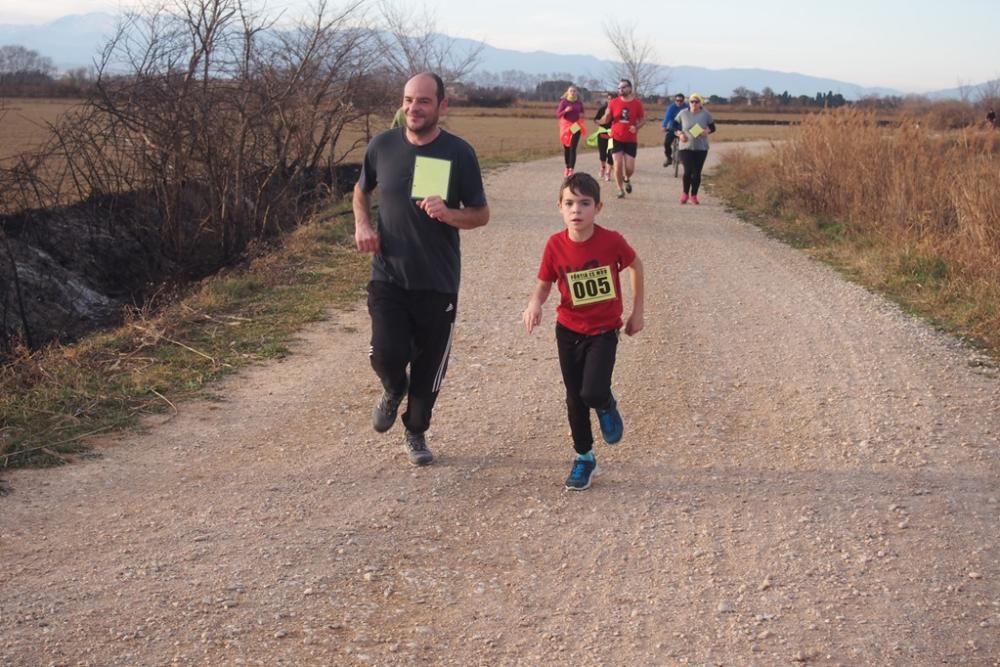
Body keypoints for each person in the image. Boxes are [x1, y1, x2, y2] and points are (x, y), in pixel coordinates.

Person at [353, 72, 490, 466]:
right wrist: (362, 225)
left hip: (437, 281)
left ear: (442, 106)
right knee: (385, 355)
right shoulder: (382, 145)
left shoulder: (458, 153)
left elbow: (481, 214)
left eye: (424, 101)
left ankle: (415, 431)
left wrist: (449, 213)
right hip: (389, 275)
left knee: (428, 372)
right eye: (409, 100)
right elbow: (361, 190)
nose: (414, 108)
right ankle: (393, 387)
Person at [522, 172, 645, 490]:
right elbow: (544, 283)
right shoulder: (555, 244)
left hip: (604, 330)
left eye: (585, 203)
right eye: (569, 203)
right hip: (568, 330)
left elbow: (636, 266)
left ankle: (604, 402)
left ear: (598, 208)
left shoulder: (611, 241)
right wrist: (534, 304)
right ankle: (584, 457)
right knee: (574, 397)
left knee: (591, 392)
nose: (576, 209)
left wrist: (637, 312)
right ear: (560, 207)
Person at [600, 78, 646, 198]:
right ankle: (620, 189)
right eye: (619, 88)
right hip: (616, 137)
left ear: (630, 88)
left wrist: (636, 127)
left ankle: (626, 178)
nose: (621, 90)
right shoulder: (613, 102)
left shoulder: (637, 103)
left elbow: (643, 120)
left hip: (630, 139)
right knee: (617, 163)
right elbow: (606, 117)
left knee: (630, 168)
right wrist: (604, 118)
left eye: (623, 87)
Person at [674, 92, 716, 205]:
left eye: (696, 102)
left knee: (697, 173)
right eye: (692, 101)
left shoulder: (706, 114)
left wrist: (706, 131)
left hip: (701, 148)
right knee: (688, 171)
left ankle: (694, 196)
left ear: (700, 103)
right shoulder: (683, 113)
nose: (694, 104)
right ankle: (685, 194)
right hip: (685, 147)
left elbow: (713, 127)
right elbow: (674, 125)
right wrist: (679, 134)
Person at [556, 85, 586, 177]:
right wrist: (565, 110)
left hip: (575, 126)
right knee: (567, 148)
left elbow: (582, 112)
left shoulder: (579, 103)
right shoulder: (564, 102)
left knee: (573, 147)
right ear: (567, 92)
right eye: (571, 91)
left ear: (576, 93)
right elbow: (558, 114)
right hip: (566, 126)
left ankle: (571, 169)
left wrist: (581, 115)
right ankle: (567, 166)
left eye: (574, 91)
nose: (573, 92)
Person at [660, 93, 688, 167]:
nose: (679, 102)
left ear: (683, 101)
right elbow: (667, 117)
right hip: (673, 128)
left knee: (686, 142)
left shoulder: (687, 107)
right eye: (677, 100)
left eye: (680, 101)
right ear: (675, 101)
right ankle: (669, 158)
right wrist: (664, 126)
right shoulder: (671, 107)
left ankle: (683, 158)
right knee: (667, 143)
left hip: (684, 129)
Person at [592, 92, 615, 181]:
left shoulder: (618, 110)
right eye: (609, 99)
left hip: (613, 134)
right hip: (602, 133)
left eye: (612, 99)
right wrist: (601, 121)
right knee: (602, 154)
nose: (610, 101)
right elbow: (595, 119)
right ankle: (603, 167)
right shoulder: (603, 109)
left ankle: (608, 172)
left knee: (611, 154)